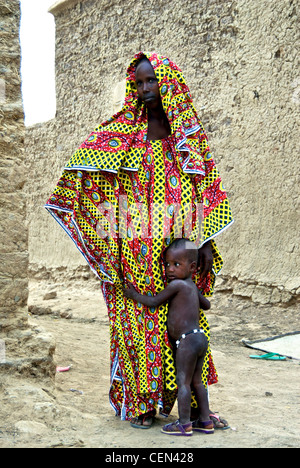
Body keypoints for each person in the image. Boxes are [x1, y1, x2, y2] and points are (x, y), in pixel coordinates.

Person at [45, 52, 233, 429]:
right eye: (140, 82)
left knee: (184, 322)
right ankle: (142, 404)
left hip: (179, 248)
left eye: (152, 81)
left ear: (169, 84)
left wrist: (207, 242)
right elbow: (82, 177)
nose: (146, 89)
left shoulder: (188, 134)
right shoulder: (123, 131)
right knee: (138, 318)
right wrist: (106, 229)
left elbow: (208, 188)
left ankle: (193, 406)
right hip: (134, 245)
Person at [124, 239, 214, 436]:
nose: (169, 270)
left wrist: (132, 294)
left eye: (176, 264)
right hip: (200, 338)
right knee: (198, 382)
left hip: (186, 341)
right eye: (167, 265)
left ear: (192, 267)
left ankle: (183, 424)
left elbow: (154, 301)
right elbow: (206, 305)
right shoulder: (191, 286)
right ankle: (206, 421)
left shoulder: (177, 286)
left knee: (184, 383)